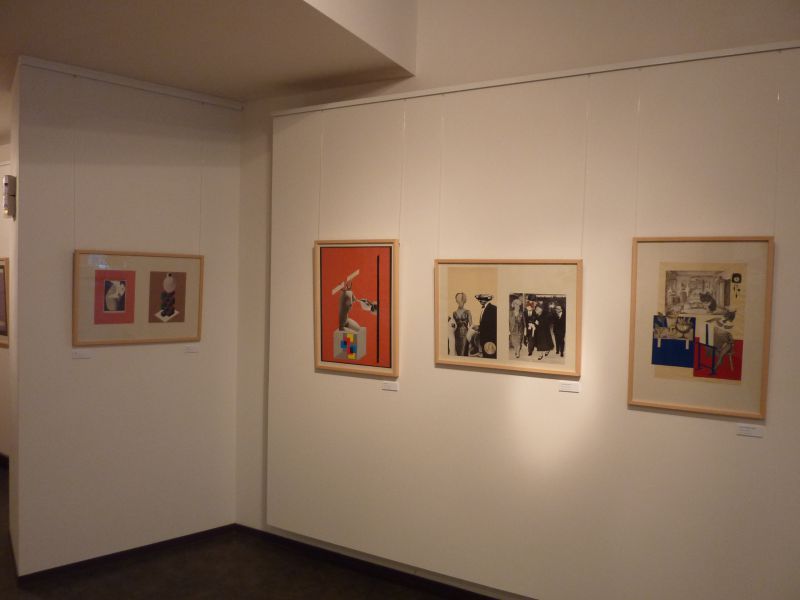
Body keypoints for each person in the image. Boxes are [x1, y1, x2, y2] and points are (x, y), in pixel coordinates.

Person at [474, 293, 497, 359]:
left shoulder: (493, 308)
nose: (480, 301)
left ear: (487, 300)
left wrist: (479, 328)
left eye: (481, 299)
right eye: (479, 299)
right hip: (484, 339)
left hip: (490, 339)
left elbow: (493, 325)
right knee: (486, 356)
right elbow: (486, 323)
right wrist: (479, 327)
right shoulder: (484, 309)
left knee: (490, 357)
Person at [452, 292, 473, 356]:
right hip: (456, 335)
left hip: (465, 336)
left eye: (461, 300)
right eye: (458, 299)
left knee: (463, 353)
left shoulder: (468, 312)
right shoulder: (454, 313)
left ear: (464, 301)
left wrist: (470, 337)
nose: (460, 302)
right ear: (456, 301)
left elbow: (471, 326)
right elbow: (453, 326)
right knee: (457, 353)